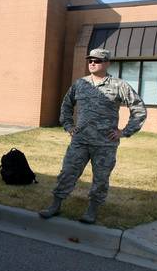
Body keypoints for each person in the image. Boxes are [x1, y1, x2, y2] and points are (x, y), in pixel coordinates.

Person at [39, 48, 147, 224]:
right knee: (67, 173)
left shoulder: (119, 85)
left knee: (101, 179)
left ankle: (92, 210)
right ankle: (55, 205)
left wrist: (124, 131)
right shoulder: (81, 84)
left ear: (107, 63)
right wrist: (68, 126)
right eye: (90, 60)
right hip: (80, 141)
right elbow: (66, 105)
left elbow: (139, 109)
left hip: (105, 144)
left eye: (97, 60)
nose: (92, 63)